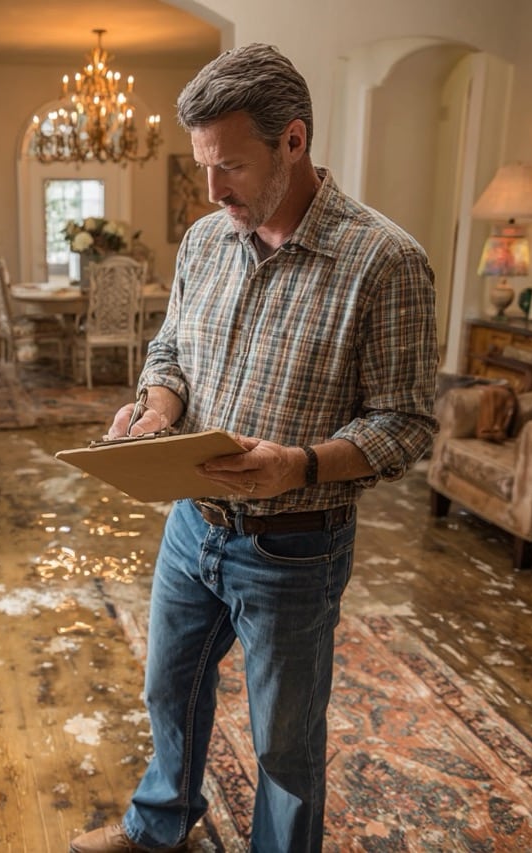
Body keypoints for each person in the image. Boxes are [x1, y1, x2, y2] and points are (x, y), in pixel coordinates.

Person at [69, 44, 438, 853]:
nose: (212, 190)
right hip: (191, 526)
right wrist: (157, 404)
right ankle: (162, 828)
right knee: (169, 689)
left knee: (284, 746)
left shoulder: (386, 262)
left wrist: (298, 465)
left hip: (294, 545)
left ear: (293, 141)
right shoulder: (205, 241)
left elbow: (408, 423)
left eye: (229, 165)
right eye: (204, 166)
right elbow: (169, 352)